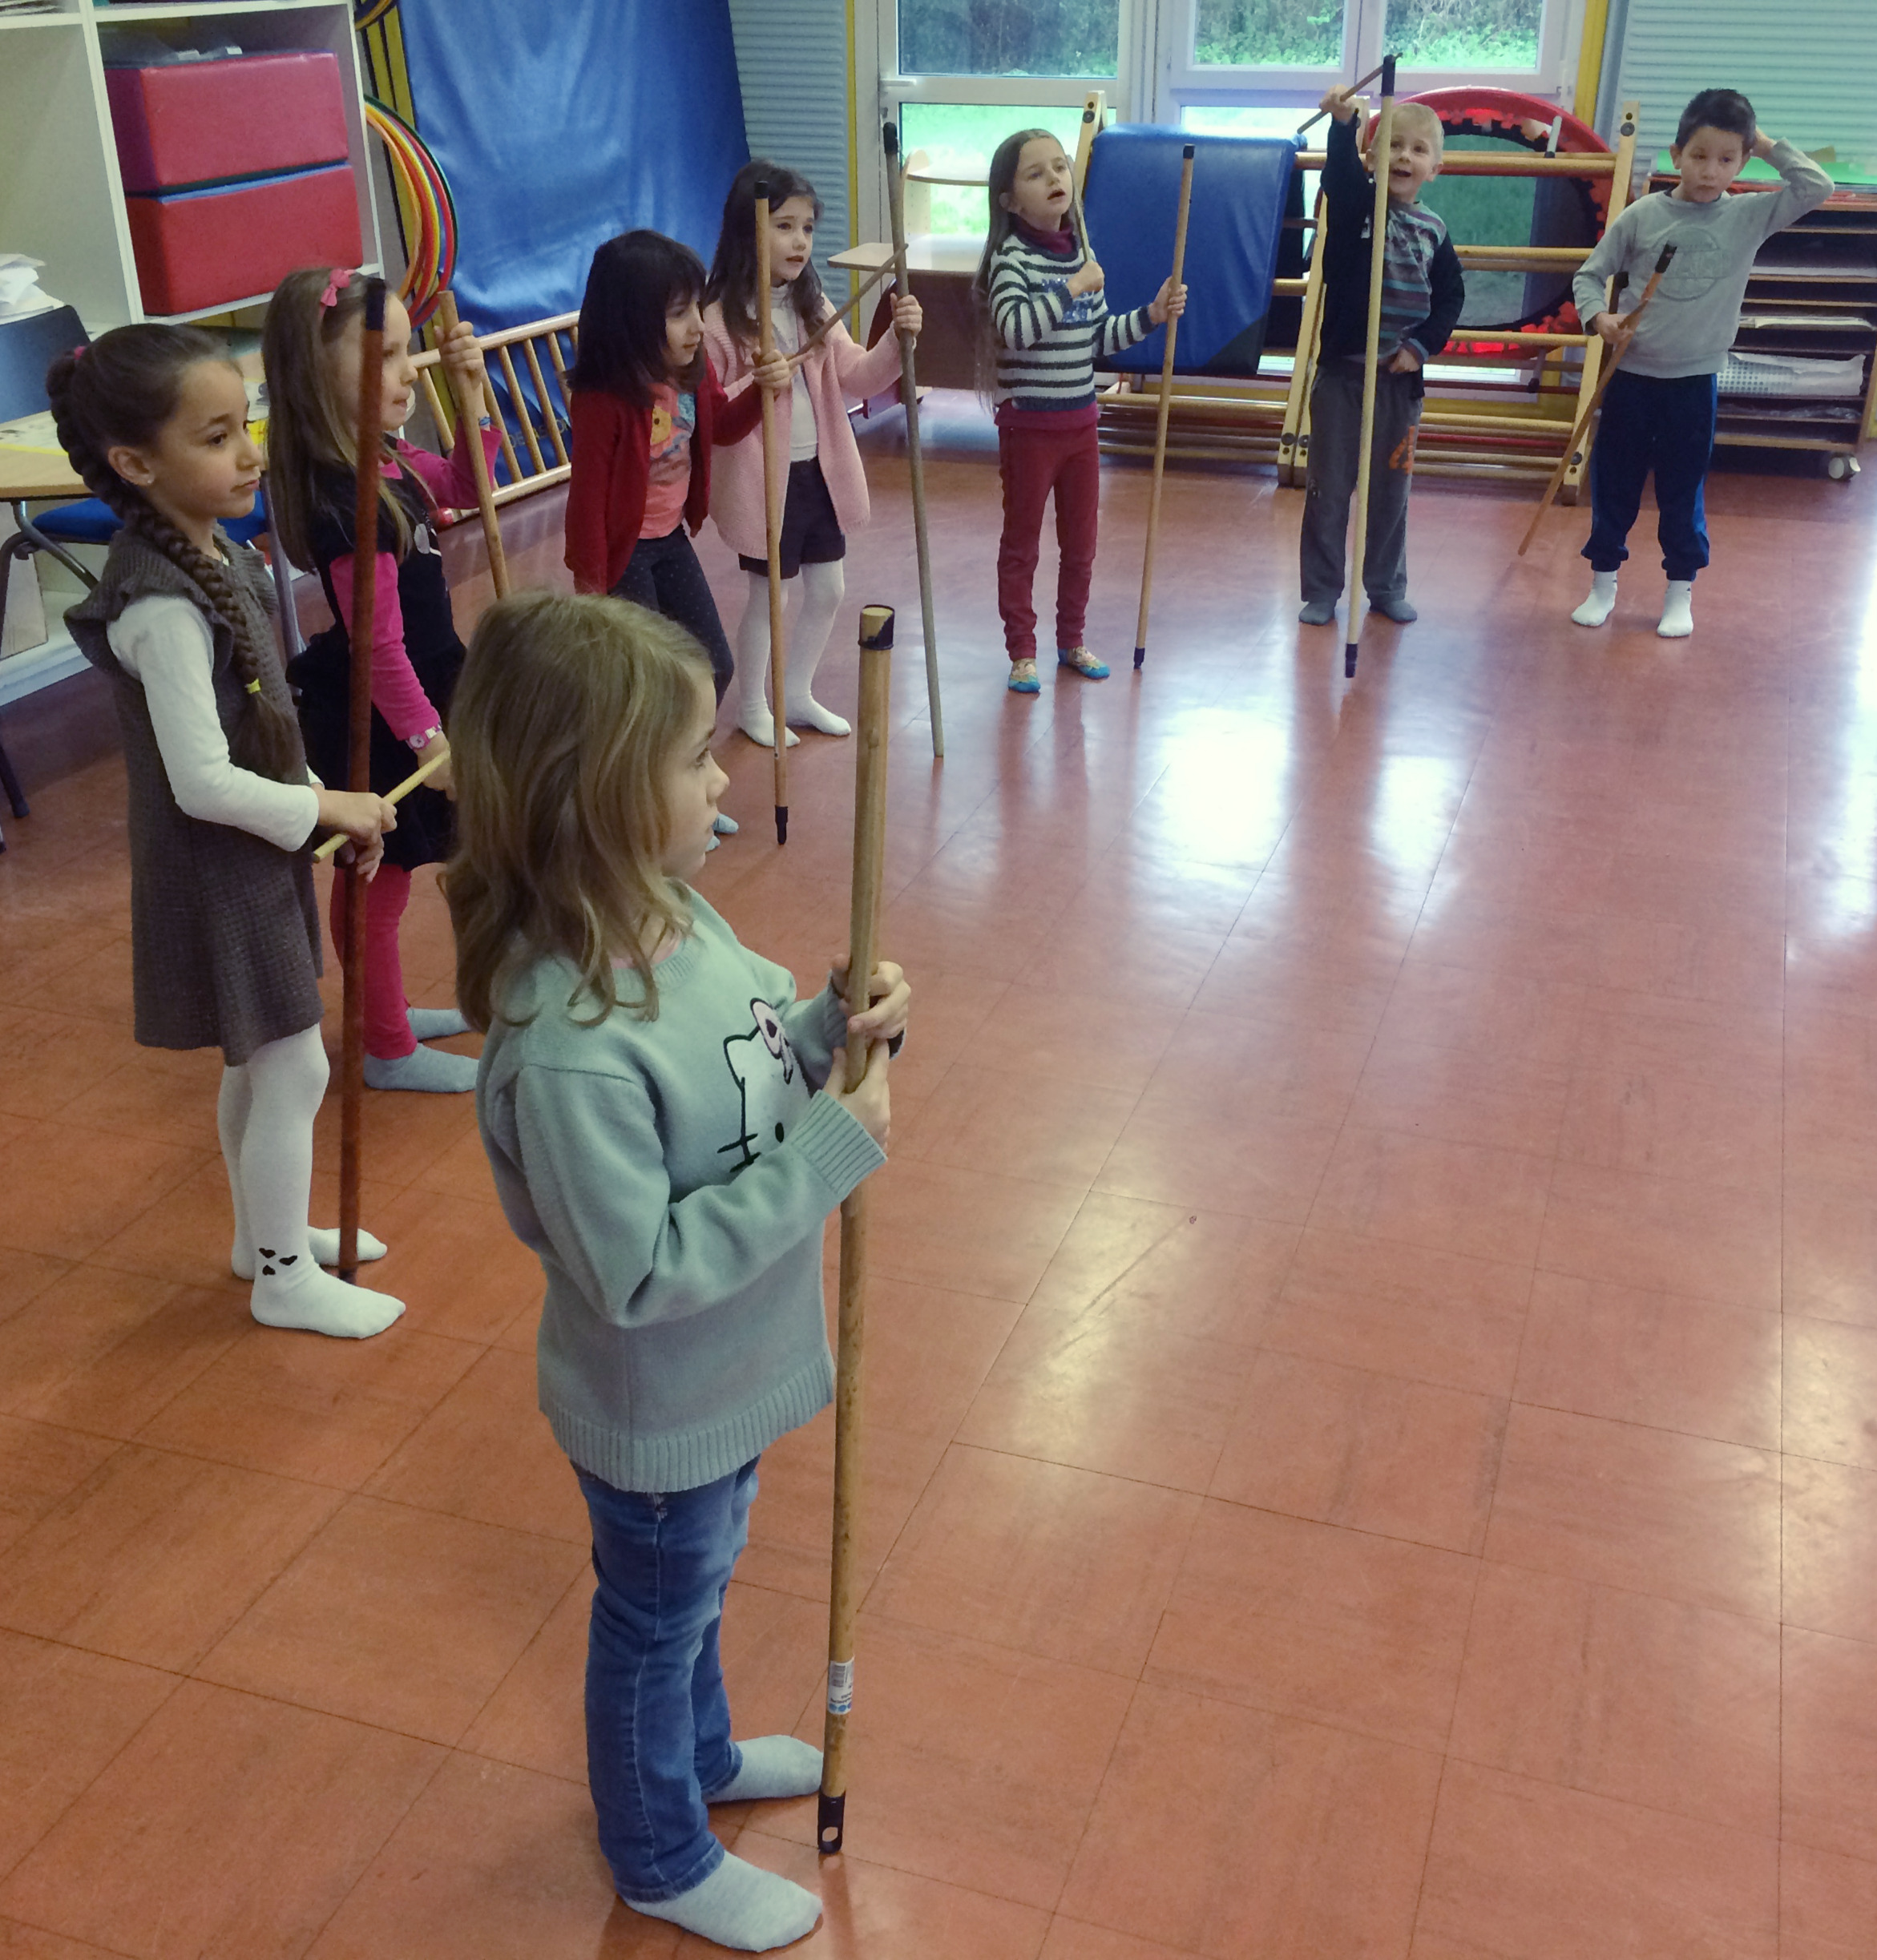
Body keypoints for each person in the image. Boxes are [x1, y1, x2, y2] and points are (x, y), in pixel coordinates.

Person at [444, 588, 907, 1950]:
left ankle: (698, 1762)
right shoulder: (573, 1045)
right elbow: (634, 1275)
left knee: (696, 1590)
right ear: (591, 793)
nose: (723, 776)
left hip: (734, 1369)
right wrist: (827, 1155)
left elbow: (760, 1051)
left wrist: (840, 1021)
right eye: (696, 754)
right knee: (654, 1618)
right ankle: (657, 1847)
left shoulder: (674, 912)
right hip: (662, 1399)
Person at [49, 325, 403, 1339]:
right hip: (217, 860)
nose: (249, 452)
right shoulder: (161, 603)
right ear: (135, 463)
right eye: (215, 436)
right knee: (293, 1064)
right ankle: (284, 1274)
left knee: (260, 1059)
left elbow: (263, 719)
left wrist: (321, 808)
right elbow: (200, 780)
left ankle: (264, 1234)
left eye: (243, 423)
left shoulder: (214, 552)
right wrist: (321, 809)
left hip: (258, 843)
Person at [261, 264, 496, 1091]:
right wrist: (433, 738)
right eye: (385, 360)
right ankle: (384, 1048)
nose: (408, 373)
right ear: (318, 377)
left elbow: (467, 484)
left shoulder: (387, 458)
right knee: (379, 878)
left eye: (408, 353)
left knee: (393, 877)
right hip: (384, 707)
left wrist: (469, 395)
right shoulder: (344, 500)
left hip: (420, 690)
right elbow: (378, 647)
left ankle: (384, 1021)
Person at [1569, 88, 1831, 637]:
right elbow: (1590, 276)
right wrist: (1600, 319)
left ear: (1743, 160)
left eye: (1727, 158)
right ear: (1675, 155)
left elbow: (1816, 186)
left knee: (1682, 490)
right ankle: (1602, 586)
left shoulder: (1749, 216)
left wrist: (1762, 143)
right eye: (1699, 156)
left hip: (1694, 381)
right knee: (1614, 483)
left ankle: (1679, 592)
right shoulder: (1643, 216)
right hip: (1633, 377)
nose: (1711, 171)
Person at [703, 159, 921, 746]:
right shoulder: (719, 321)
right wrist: (760, 381)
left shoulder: (814, 308)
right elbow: (714, 411)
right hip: (763, 480)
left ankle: (795, 693)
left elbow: (856, 376)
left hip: (817, 473)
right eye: (784, 226)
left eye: (807, 227)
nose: (800, 240)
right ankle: (752, 704)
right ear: (748, 231)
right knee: (767, 594)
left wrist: (898, 345)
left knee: (828, 588)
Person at [975, 127, 1185, 692]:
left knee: (1081, 546)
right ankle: (1022, 651)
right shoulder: (1010, 260)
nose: (1054, 179)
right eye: (1035, 172)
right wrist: (1071, 287)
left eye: (1060, 167)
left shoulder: (1083, 254)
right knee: (1021, 545)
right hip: (1029, 428)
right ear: (1009, 199)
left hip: (1081, 424)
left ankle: (1072, 640)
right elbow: (1016, 331)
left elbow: (1099, 340)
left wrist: (1154, 314)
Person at [1299, 87, 1463, 629]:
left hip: (1398, 383)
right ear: (1372, 159)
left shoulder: (1435, 231)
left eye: (1417, 150)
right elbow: (1339, 179)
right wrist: (1345, 127)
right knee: (1328, 490)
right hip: (1342, 380)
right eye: (1392, 146)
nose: (1403, 157)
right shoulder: (1355, 210)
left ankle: (1387, 585)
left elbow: (1450, 300)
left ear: (1434, 169)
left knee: (1391, 492)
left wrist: (1420, 350)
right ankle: (1322, 590)